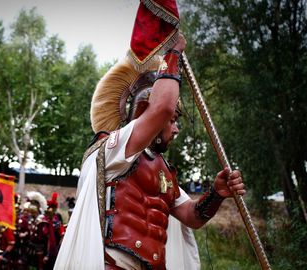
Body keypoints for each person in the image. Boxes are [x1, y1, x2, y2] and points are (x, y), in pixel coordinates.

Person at [54, 2, 246, 268]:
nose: (176, 128)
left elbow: (192, 217)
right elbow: (163, 106)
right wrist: (173, 53)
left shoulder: (164, 172)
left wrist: (216, 193)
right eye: (173, 121)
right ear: (147, 110)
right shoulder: (113, 149)